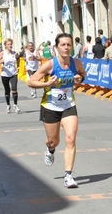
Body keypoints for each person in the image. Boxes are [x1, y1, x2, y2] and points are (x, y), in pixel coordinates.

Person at [27, 33, 86, 188]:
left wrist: (80, 79)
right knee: (54, 141)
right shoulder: (50, 65)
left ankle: (68, 176)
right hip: (50, 106)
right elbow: (31, 81)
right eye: (63, 45)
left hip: (68, 105)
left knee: (71, 138)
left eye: (68, 44)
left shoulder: (76, 63)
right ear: (56, 47)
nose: (66, 47)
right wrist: (47, 84)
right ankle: (50, 149)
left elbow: (83, 74)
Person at [0, 38, 21, 113]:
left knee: (14, 88)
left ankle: (15, 105)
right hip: (5, 74)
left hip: (13, 73)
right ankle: (8, 105)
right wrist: (1, 61)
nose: (10, 45)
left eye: (11, 44)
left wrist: (18, 66)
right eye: (8, 44)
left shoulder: (14, 53)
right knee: (7, 90)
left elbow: (18, 58)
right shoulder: (3, 53)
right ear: (5, 46)